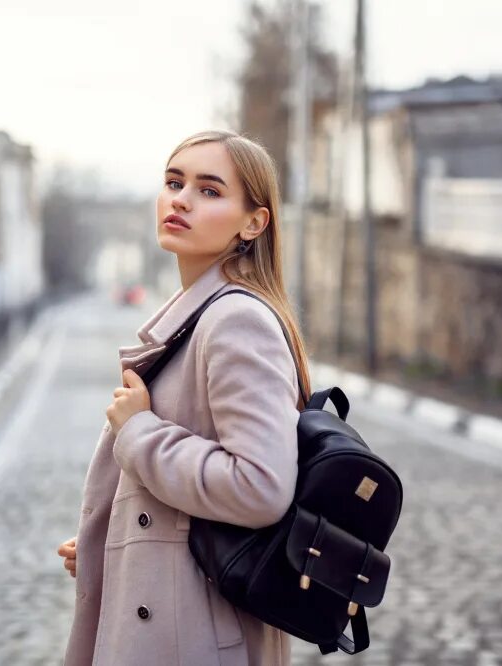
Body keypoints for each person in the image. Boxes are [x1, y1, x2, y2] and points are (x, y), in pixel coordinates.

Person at [58, 129, 313, 665]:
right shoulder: (197, 317)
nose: (181, 199)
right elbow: (176, 510)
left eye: (209, 190)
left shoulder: (236, 320)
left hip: (193, 638)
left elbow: (260, 487)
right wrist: (115, 547)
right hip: (173, 617)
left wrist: (140, 432)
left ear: (254, 223)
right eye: (174, 182)